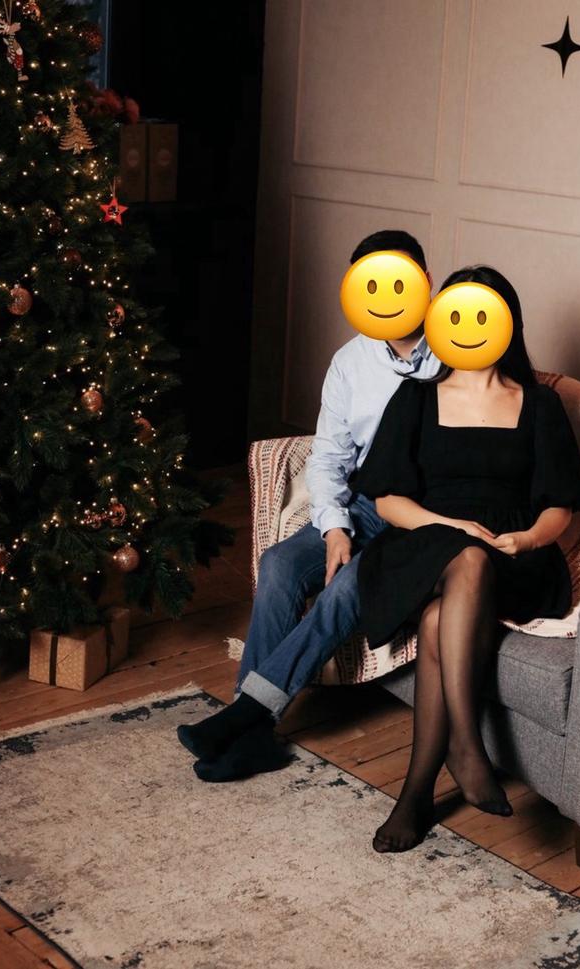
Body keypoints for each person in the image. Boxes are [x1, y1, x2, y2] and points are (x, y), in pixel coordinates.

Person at [177, 230, 441, 781]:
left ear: (426, 283)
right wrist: (335, 527)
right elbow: (327, 459)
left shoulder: (456, 352)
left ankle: (244, 719)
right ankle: (253, 732)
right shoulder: (350, 361)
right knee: (279, 564)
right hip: (366, 502)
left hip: (423, 516)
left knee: (346, 589)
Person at [350, 265, 580, 853]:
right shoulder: (416, 397)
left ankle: (415, 793)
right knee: (466, 558)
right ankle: (465, 744)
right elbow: (387, 500)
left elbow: (559, 506)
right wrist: (451, 526)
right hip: (427, 543)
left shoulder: (539, 404)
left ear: (507, 325)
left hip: (514, 554)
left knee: (444, 613)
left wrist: (528, 539)